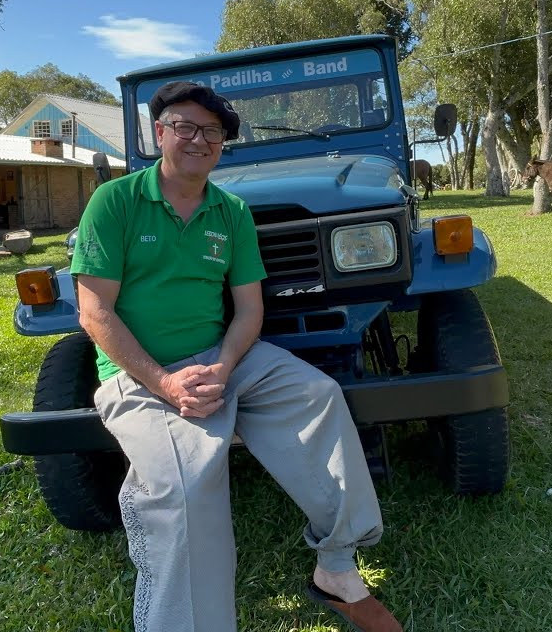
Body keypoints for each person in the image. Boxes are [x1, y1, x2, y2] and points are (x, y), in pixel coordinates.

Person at [71, 81, 402, 632]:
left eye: (213, 132)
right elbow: (94, 313)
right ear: (160, 133)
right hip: (139, 372)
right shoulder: (115, 201)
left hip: (222, 358)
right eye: (185, 126)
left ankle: (338, 566)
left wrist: (223, 366)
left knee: (318, 397)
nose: (199, 139)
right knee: (184, 486)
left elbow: (249, 310)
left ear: (223, 144)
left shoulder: (231, 211)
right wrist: (166, 384)